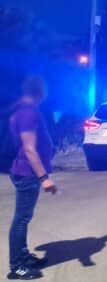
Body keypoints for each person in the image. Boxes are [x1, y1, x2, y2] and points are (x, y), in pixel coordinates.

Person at [7, 76, 58, 280]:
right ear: (40, 91)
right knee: (21, 219)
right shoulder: (27, 113)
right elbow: (29, 149)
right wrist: (44, 178)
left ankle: (23, 256)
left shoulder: (21, 110)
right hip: (27, 173)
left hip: (25, 171)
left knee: (24, 218)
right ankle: (17, 266)